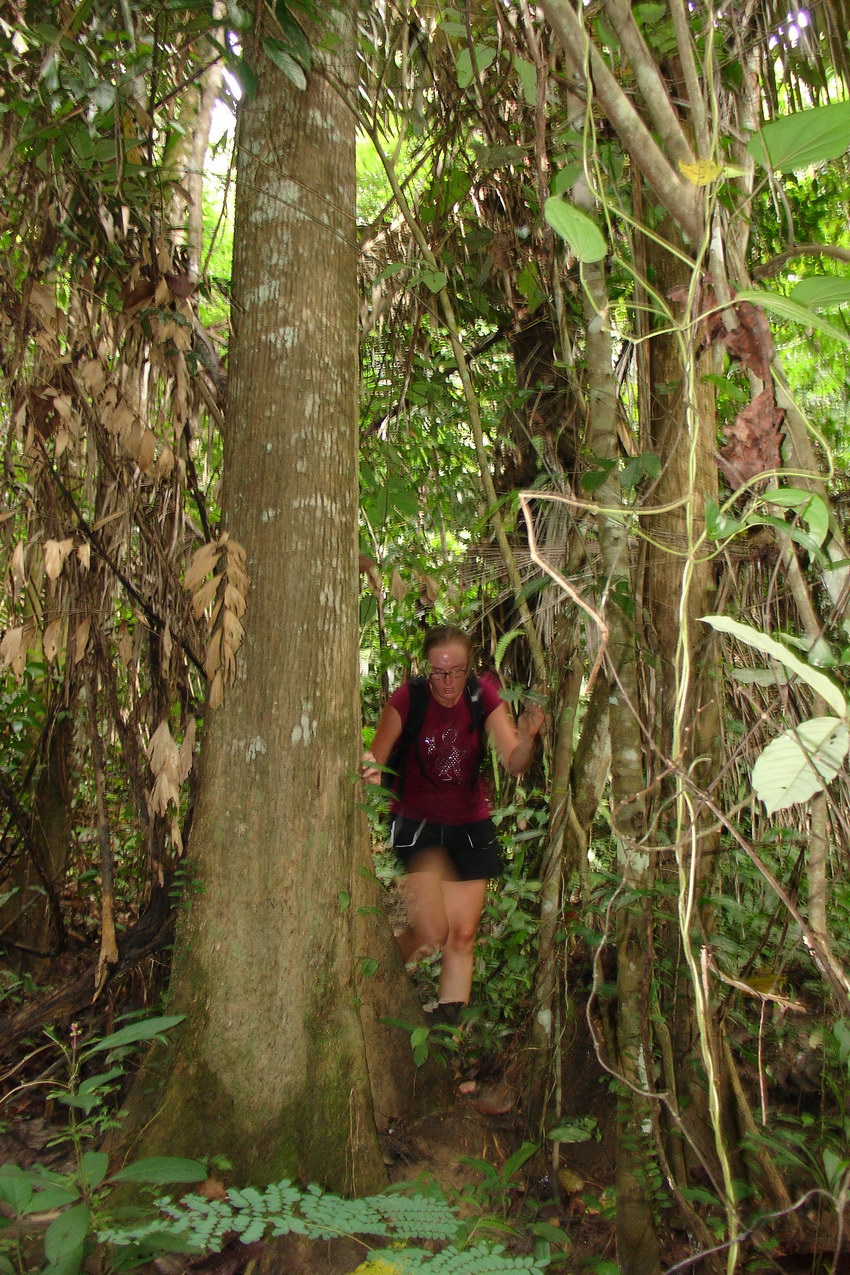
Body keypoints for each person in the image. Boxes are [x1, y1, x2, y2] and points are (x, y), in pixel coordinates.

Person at [361, 624, 544, 1021]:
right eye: (439, 672)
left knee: (462, 936)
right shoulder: (408, 699)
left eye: (456, 671)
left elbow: (514, 764)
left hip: (469, 825)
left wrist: (527, 739)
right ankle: (380, 973)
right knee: (430, 935)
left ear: (469, 667)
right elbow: (375, 756)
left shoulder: (483, 695)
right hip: (417, 824)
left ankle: (446, 1030)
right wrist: (369, 772)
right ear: (427, 668)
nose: (448, 682)